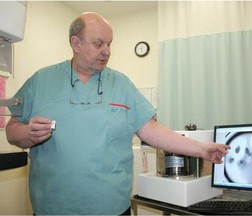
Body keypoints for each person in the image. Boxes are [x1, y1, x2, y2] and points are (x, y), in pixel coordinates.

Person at [5, 12, 229, 215]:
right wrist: (28, 133)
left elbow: (152, 131)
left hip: (112, 208)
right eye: (99, 43)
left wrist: (201, 149)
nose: (107, 51)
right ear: (76, 43)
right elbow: (12, 130)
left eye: (110, 44)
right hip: (53, 209)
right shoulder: (41, 81)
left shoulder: (121, 84)